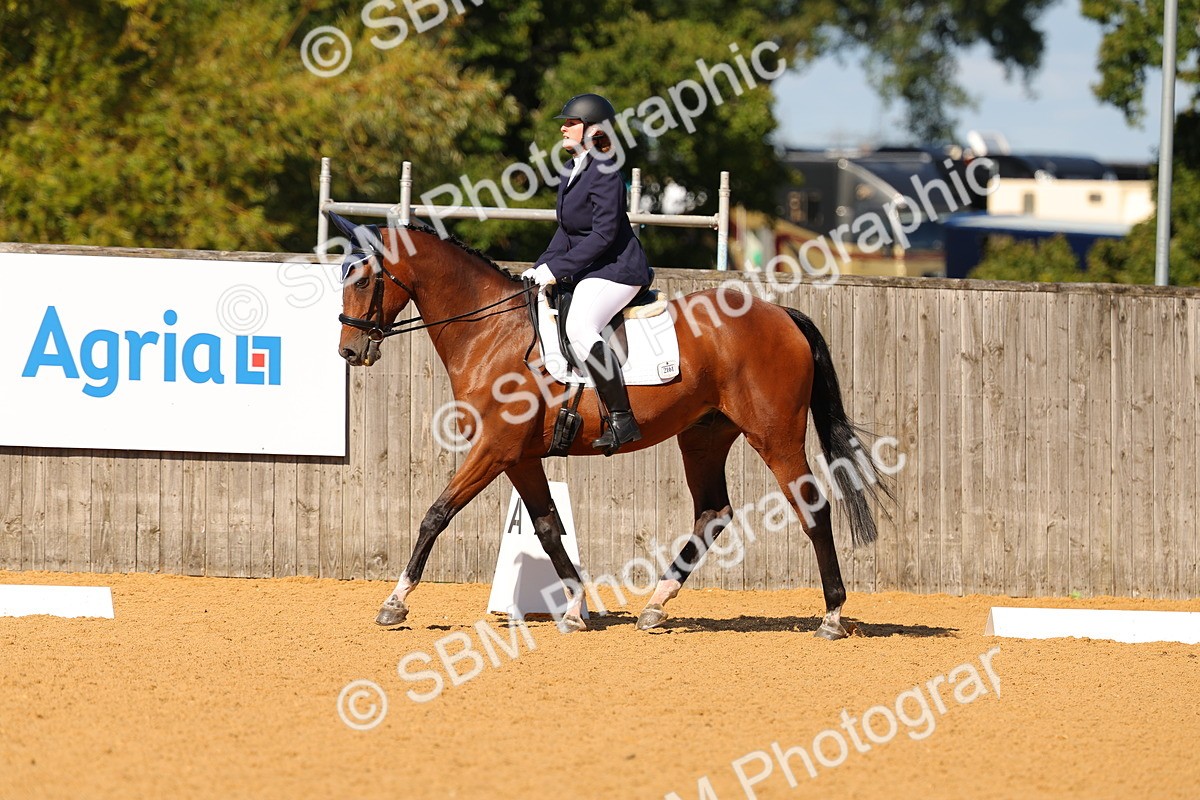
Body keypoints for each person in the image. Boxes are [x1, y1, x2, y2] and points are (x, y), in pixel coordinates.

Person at [522, 93, 653, 454]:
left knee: (579, 328)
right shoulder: (571, 171)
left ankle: (623, 419)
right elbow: (565, 233)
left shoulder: (607, 171)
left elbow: (603, 234)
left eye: (570, 123)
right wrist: (538, 267)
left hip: (618, 270)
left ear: (592, 130)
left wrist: (557, 269)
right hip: (591, 268)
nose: (563, 127)